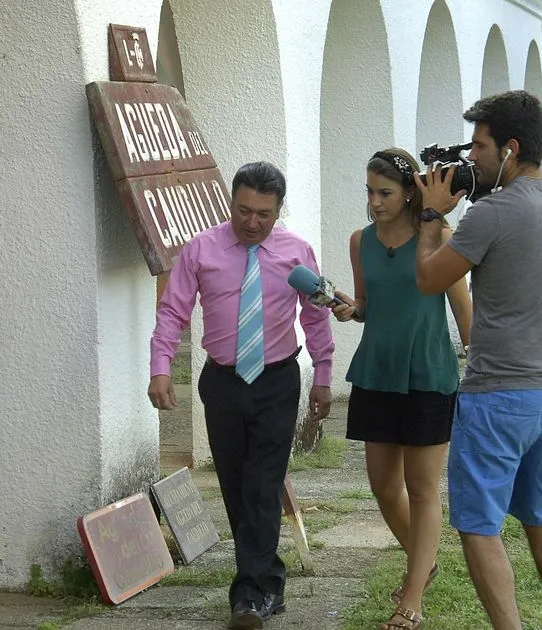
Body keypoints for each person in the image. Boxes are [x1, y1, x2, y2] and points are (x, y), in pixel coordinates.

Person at [412, 90, 542, 630]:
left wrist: (431, 215)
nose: (471, 158)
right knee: (539, 510)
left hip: (498, 396)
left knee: (478, 524)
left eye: (479, 146)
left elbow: (429, 279)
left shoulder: (493, 212)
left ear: (510, 148)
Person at [148, 161, 335, 630]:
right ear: (231, 203)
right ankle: (270, 581)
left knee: (263, 484)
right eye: (243, 210)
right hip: (223, 382)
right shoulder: (201, 249)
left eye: (263, 214)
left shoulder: (297, 253)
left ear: (279, 210)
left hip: (276, 380)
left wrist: (324, 375)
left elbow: (316, 316)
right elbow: (172, 312)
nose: (252, 222)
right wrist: (161, 368)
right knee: (235, 485)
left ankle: (248, 595)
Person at [330, 148, 471, 630]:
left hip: (428, 372)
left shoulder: (440, 238)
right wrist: (351, 309)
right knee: (384, 487)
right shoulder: (360, 241)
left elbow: (464, 313)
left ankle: (412, 598)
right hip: (377, 371)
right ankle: (423, 563)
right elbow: (367, 303)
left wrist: (482, 371)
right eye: (369, 192)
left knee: (422, 488)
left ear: (411, 192)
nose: (374, 202)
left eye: (385, 193)